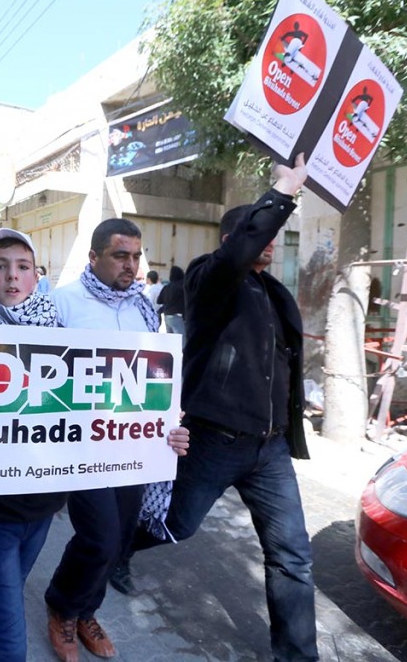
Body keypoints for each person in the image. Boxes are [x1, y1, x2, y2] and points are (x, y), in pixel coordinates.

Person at [0, 228, 188, 662]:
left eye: (23, 267)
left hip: (42, 509)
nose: (12, 277)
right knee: (11, 641)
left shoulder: (61, 333)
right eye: (0, 267)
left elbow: (116, 395)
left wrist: (160, 429)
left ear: (35, 276)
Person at [129, 155, 317, 662]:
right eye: (262, 234)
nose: (272, 242)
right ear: (234, 241)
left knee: (292, 556)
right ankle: (109, 551)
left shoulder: (273, 291)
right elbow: (237, 256)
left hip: (269, 450)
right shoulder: (209, 279)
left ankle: (298, 656)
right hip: (215, 441)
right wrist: (284, 191)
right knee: (174, 526)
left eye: (275, 235)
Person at [44, 219, 187, 662]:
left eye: (136, 256)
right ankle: (63, 608)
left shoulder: (143, 307)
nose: (131, 265)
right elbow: (41, 374)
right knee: (100, 536)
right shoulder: (63, 302)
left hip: (133, 445)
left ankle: (87, 609)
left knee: (122, 537)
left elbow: (156, 372)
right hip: (81, 445)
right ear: (94, 257)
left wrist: (170, 417)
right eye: (120, 255)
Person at [156, 265, 185, 337]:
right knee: (181, 341)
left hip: (167, 316)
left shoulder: (166, 287)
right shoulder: (183, 286)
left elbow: (159, 301)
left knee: (171, 341)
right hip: (178, 316)